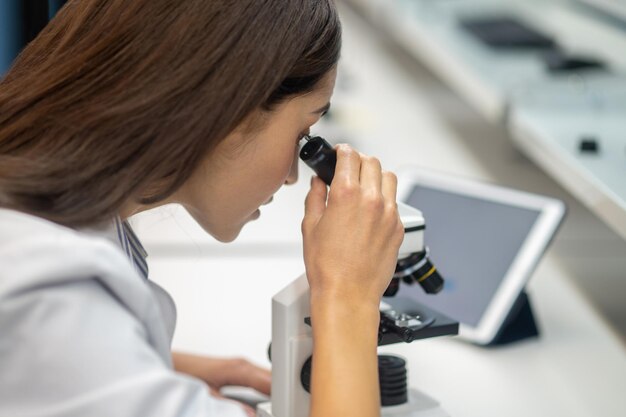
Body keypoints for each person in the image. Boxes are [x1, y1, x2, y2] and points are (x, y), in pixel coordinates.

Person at [0, 1, 403, 417]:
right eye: (301, 132)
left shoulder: (55, 214)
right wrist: (348, 296)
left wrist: (148, 367)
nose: (291, 178)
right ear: (225, 108)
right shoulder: (50, 295)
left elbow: (54, 371)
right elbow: (52, 345)